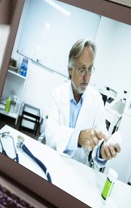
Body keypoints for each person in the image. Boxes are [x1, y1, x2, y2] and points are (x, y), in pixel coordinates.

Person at [43, 38, 120, 169]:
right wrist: (78, 137)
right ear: (70, 70)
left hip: (77, 169)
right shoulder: (57, 95)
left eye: (90, 69)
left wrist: (103, 150)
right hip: (53, 162)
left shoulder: (96, 100)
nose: (87, 77)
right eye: (82, 70)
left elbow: (101, 136)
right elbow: (50, 134)